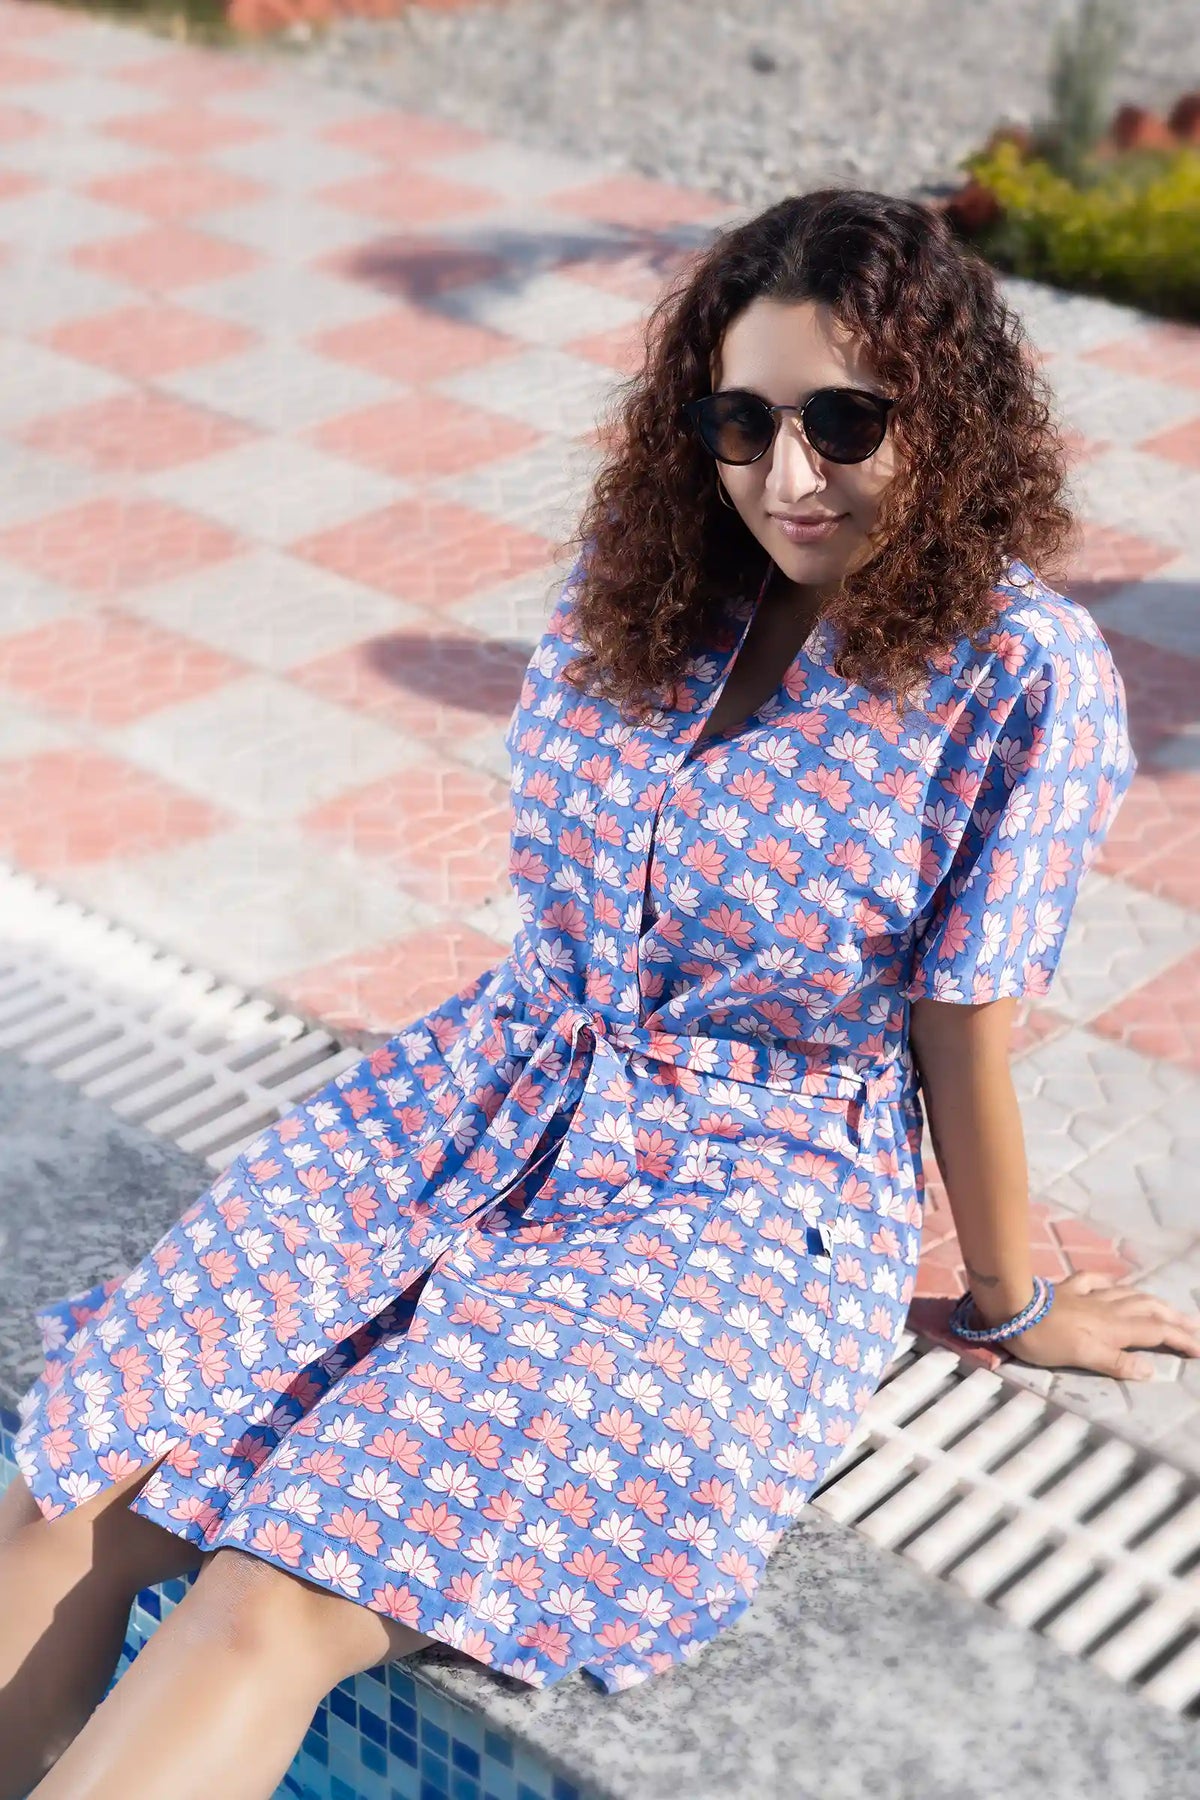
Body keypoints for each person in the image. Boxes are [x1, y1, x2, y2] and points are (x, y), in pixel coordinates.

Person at [3, 187, 1198, 1800]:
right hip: (483, 1098)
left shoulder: (1022, 677)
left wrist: (1011, 1304)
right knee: (83, 1484)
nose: (789, 476)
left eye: (846, 422)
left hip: (746, 1194)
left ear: (946, 412)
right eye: (744, 420)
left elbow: (962, 1024)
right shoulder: (644, 584)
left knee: (272, 1597)